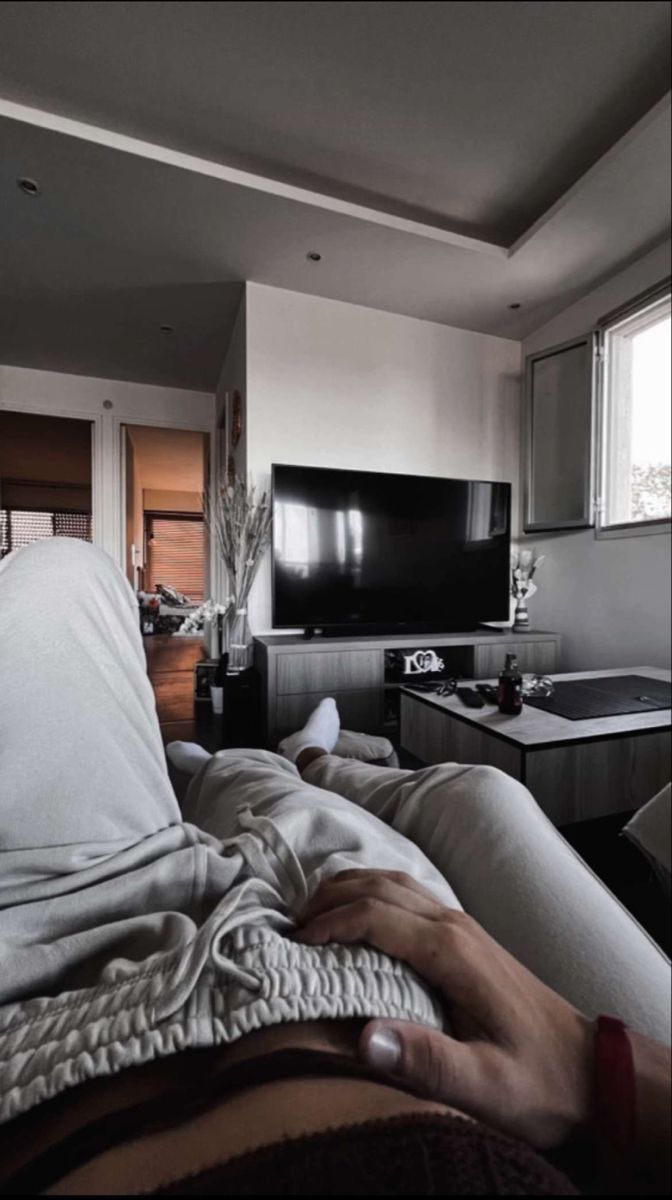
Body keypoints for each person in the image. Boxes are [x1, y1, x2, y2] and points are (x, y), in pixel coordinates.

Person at [0, 538, 669, 1195]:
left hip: (71, 1012)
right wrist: (599, 1070)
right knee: (478, 794)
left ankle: (234, 769)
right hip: (393, 978)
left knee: (63, 571)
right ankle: (307, 759)